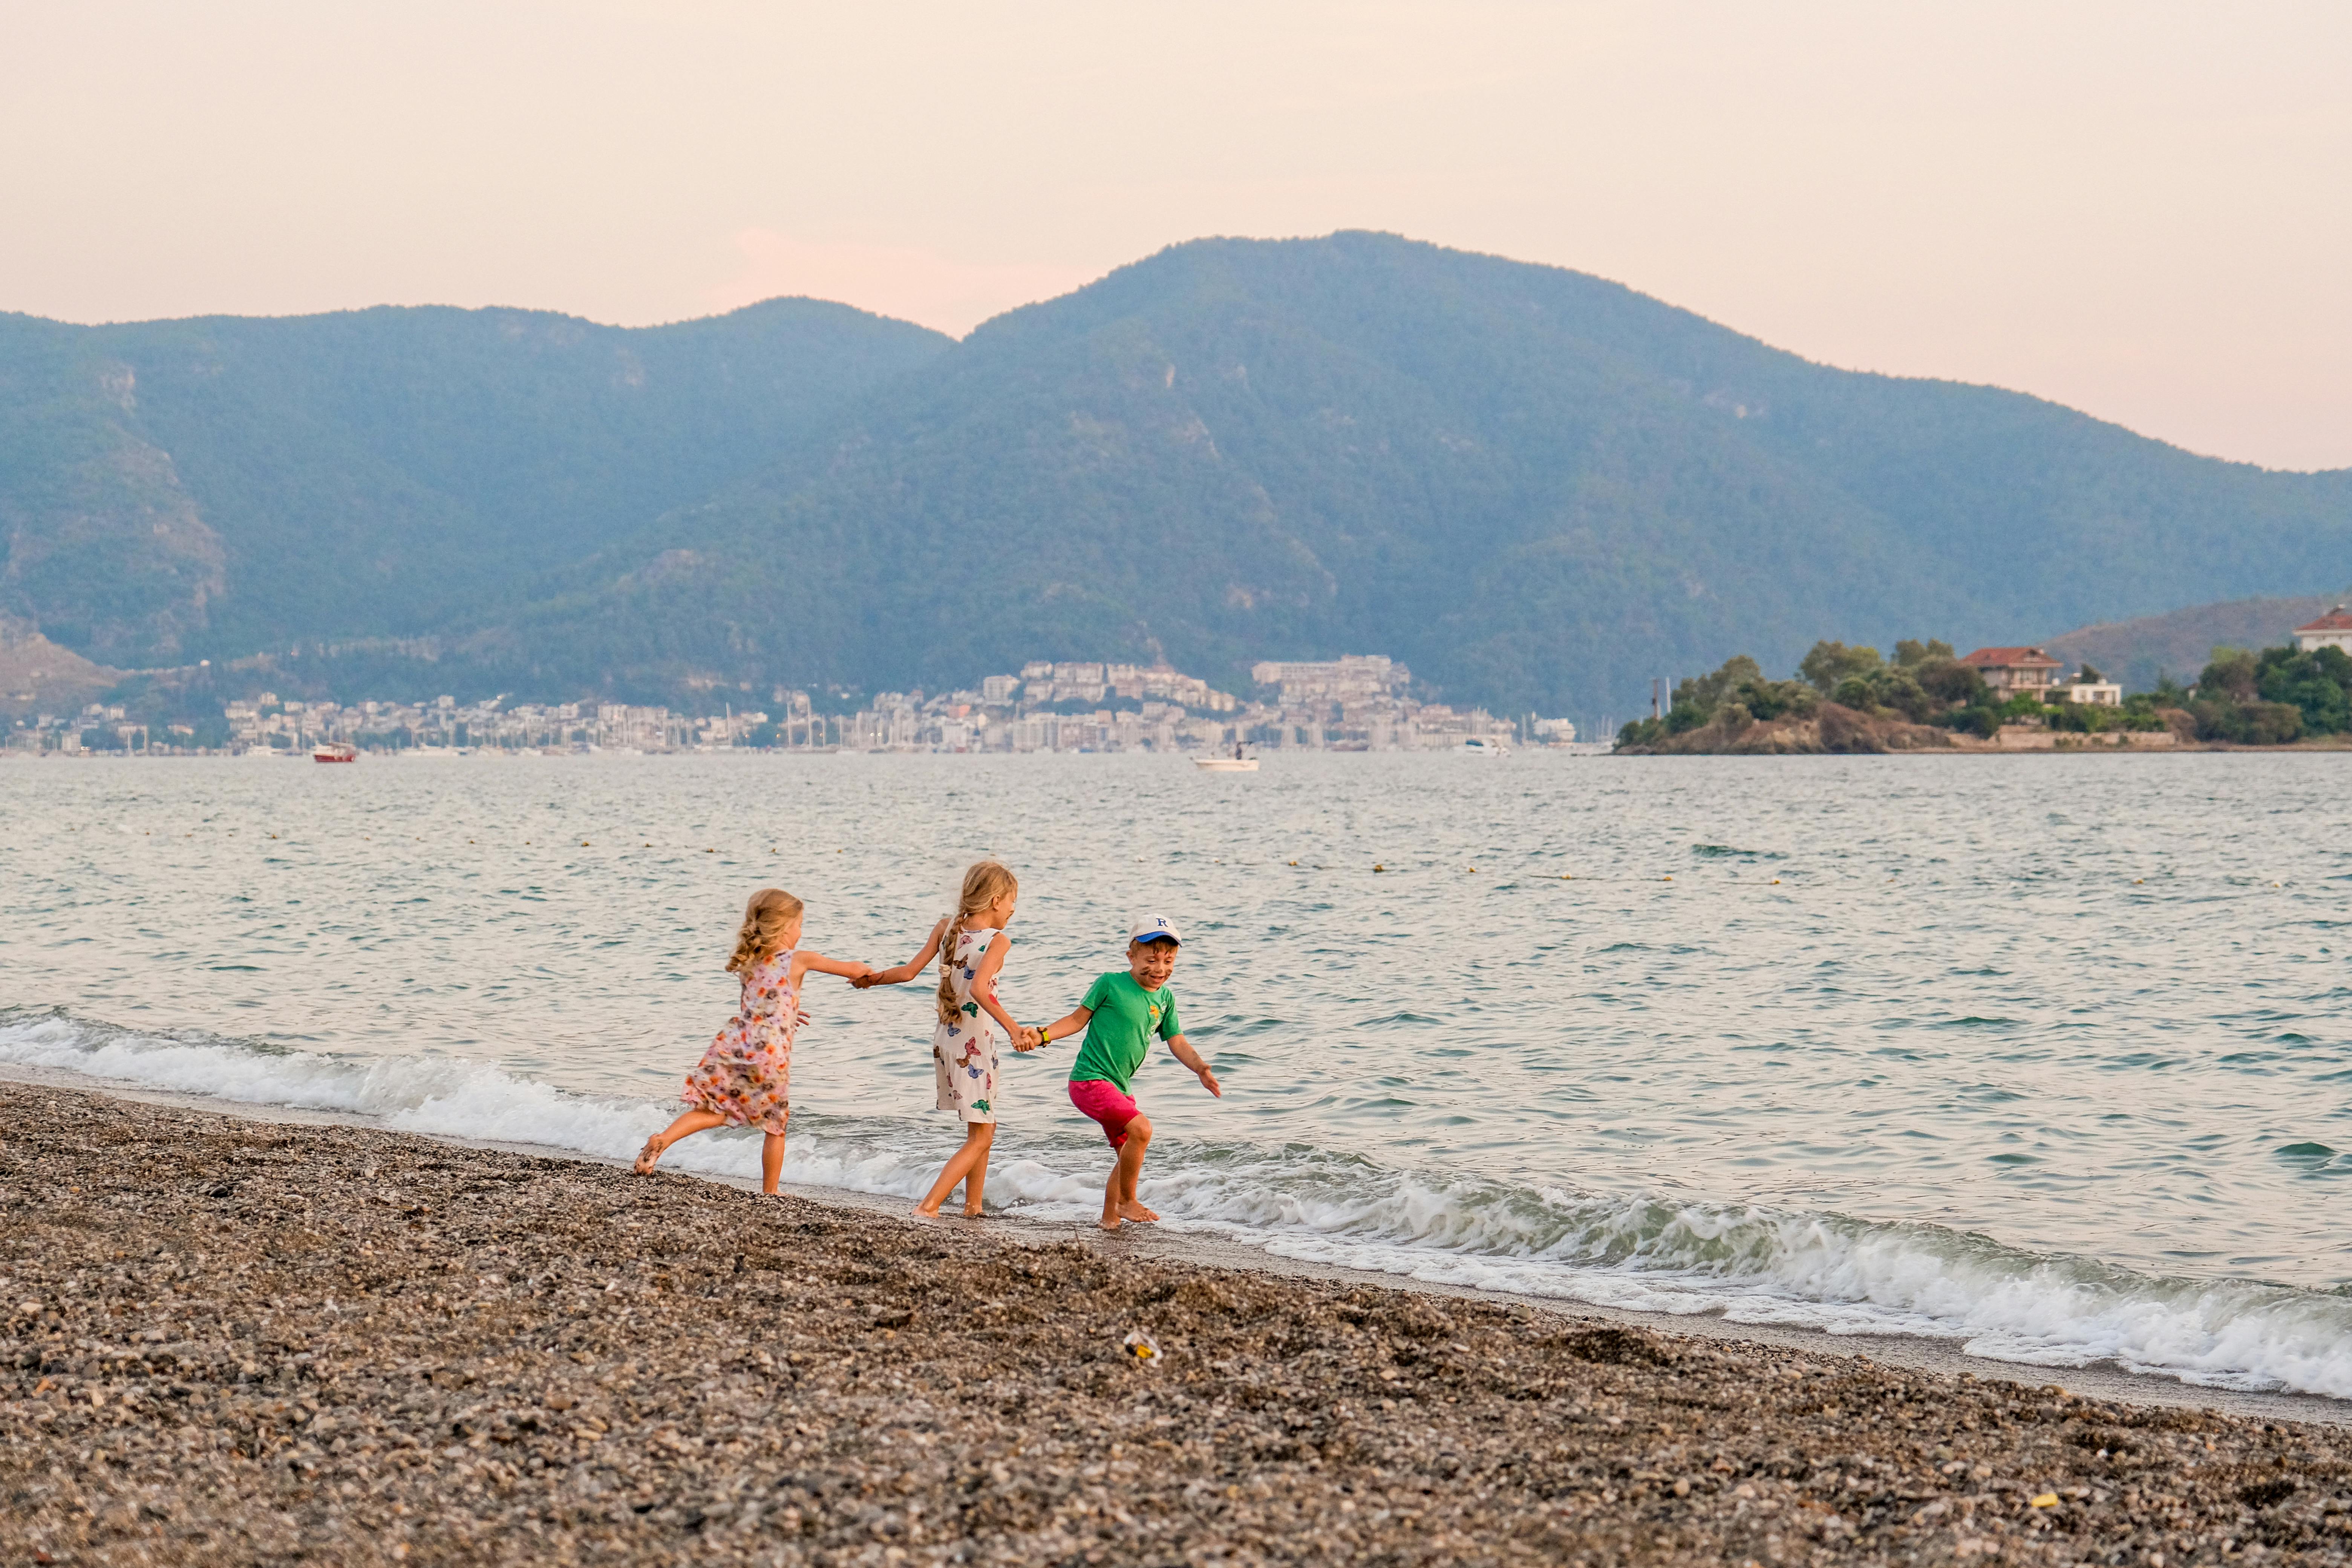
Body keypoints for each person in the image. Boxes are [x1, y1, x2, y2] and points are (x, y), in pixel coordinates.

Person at [634, 888, 873, 1193]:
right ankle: (770, 1192)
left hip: (736, 1042)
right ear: (786, 927)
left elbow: (754, 1005)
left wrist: (787, 1013)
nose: (800, 932)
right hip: (770, 1052)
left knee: (715, 1111)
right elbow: (853, 969)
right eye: (800, 925)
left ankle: (663, 1140)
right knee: (775, 1127)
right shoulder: (799, 959)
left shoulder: (749, 962)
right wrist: (869, 975)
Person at [853, 861, 1037, 1217]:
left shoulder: (947, 927)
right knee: (982, 1135)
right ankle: (929, 1205)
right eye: (1013, 901)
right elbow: (981, 991)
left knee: (983, 1127)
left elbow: (907, 973)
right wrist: (1015, 1029)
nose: (1014, 909)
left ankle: (974, 1207)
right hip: (974, 1043)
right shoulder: (998, 941)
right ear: (996, 901)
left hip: (947, 1040)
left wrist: (870, 979)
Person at [1030, 915, 1220, 1231]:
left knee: (1127, 1156)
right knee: (1142, 1130)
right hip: (1090, 1081)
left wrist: (1200, 1067)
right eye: (1151, 959)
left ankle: (1110, 1222)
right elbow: (1077, 1020)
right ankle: (1127, 1201)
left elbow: (1177, 1041)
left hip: (1119, 1087)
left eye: (1168, 960)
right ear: (1131, 957)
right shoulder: (1110, 983)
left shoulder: (1165, 998)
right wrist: (1043, 1035)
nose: (1160, 969)